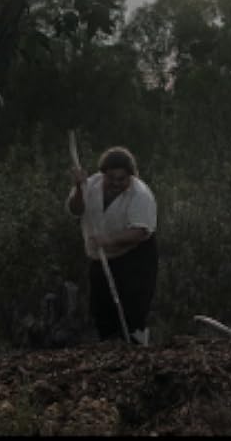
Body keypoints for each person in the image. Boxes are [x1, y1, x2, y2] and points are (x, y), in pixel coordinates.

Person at [65, 146, 158, 346]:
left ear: (131, 176)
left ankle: (136, 349)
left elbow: (140, 232)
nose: (116, 183)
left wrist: (107, 240)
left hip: (135, 257)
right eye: (111, 178)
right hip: (100, 257)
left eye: (121, 179)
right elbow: (75, 210)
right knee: (101, 311)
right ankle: (108, 355)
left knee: (133, 312)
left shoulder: (141, 195)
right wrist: (79, 189)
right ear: (103, 174)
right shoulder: (89, 185)